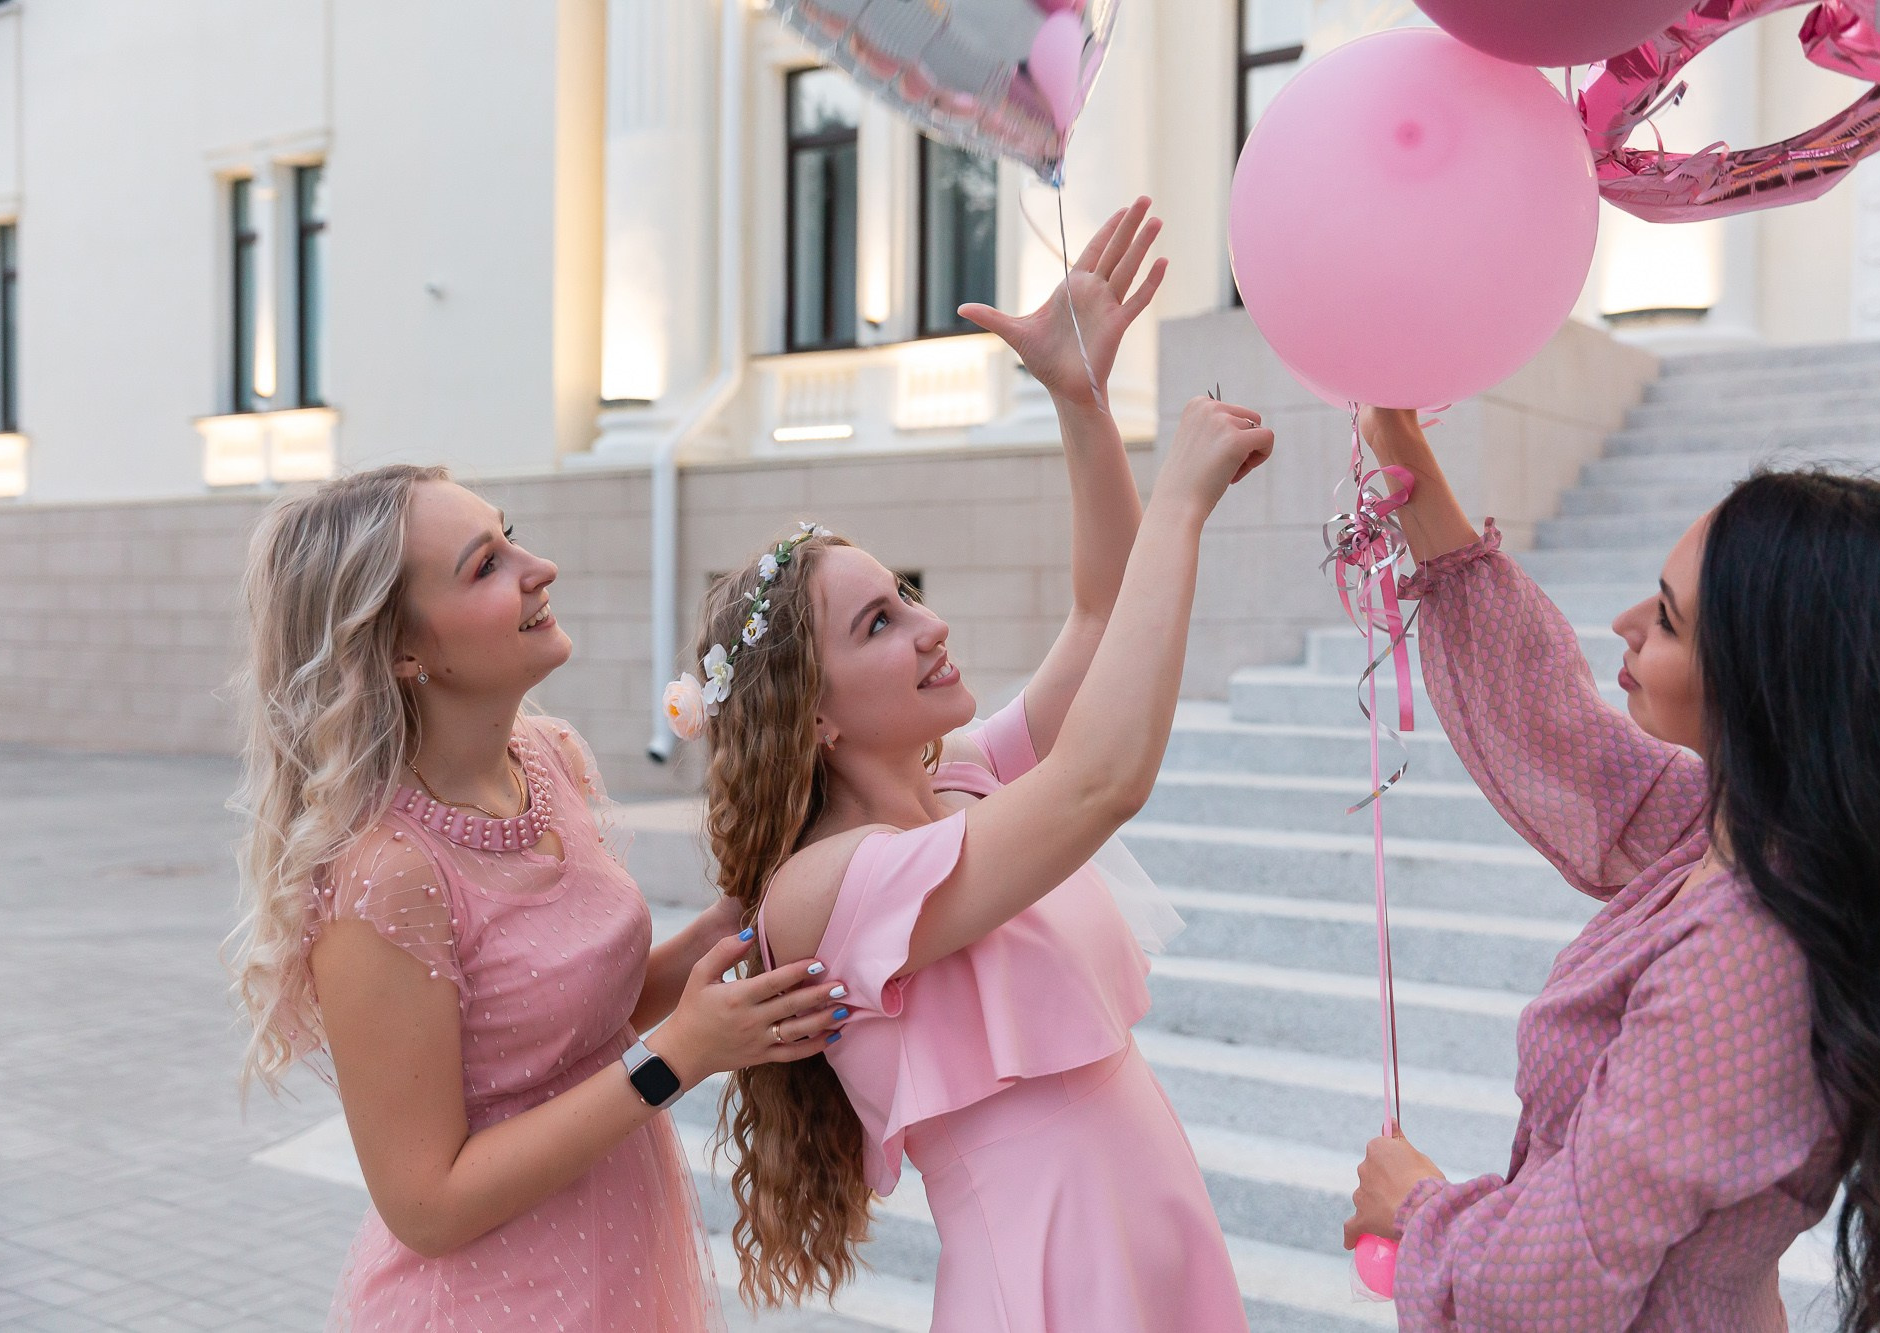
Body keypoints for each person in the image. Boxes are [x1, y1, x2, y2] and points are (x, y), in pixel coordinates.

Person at [661, 200, 1268, 1331]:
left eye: (909, 597)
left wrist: (1078, 400)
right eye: (878, 626)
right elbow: (1100, 780)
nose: (927, 626)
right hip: (1045, 1279)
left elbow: (1100, 612)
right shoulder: (821, 887)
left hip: (1152, 1235)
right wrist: (1182, 499)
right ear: (815, 721)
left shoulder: (968, 782)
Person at [1342, 407, 1880, 1332]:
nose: (1626, 624)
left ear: (1775, 686)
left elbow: (1551, 1285)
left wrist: (1420, 1207)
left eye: (1671, 621)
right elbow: (1555, 736)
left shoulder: (1751, 955)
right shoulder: (1743, 832)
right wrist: (1399, 446)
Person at [226, 465, 845, 1331]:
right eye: (485, 565)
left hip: (620, 1261)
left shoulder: (548, 757)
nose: (538, 566)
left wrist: (740, 917)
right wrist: (678, 1055)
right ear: (402, 648)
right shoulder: (387, 873)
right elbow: (426, 1203)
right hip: (493, 1301)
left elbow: (570, 1018)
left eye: (510, 537)